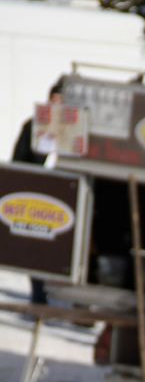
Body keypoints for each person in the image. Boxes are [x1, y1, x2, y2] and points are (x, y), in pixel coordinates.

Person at [11, 80, 64, 307]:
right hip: (39, 199)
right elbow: (19, 161)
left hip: (67, 198)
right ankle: (39, 296)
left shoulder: (75, 134)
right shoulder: (33, 127)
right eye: (55, 101)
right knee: (38, 248)